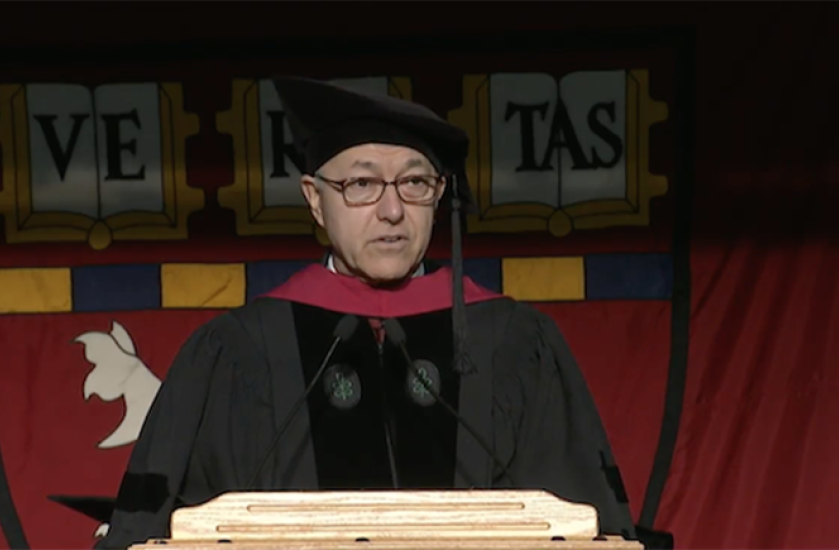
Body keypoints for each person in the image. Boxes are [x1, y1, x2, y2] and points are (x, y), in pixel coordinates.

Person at [94, 76, 636, 550]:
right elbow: (151, 533)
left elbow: (591, 528)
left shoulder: (515, 343)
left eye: (415, 182)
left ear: (439, 194)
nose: (393, 209)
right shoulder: (237, 352)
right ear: (314, 199)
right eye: (362, 183)